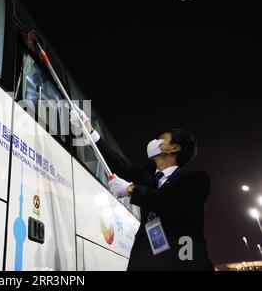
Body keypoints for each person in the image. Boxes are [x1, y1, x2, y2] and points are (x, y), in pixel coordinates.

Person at [70, 105, 215, 271]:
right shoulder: (147, 176)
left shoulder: (196, 180)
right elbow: (118, 164)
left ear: (175, 148)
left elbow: (172, 202)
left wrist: (131, 190)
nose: (154, 142)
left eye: (161, 139)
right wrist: (89, 130)